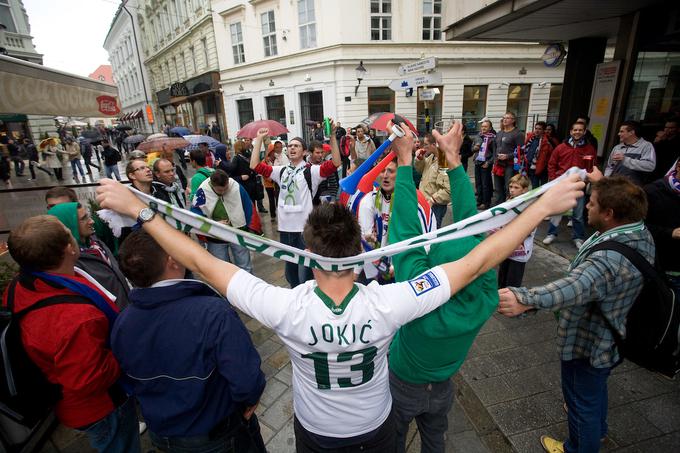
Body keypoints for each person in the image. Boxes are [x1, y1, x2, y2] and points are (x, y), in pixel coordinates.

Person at [95, 120, 584, 452]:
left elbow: (200, 260)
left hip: (317, 433)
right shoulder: (393, 302)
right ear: (362, 252)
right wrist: (540, 208)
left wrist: (141, 209)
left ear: (308, 256)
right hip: (374, 429)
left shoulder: (284, 307)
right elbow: (482, 256)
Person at [498, 170, 653, 453]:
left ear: (608, 213)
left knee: (581, 405)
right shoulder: (637, 230)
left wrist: (524, 297)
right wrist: (597, 180)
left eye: (592, 204)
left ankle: (579, 446)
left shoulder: (608, 261)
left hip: (589, 345)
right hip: (613, 339)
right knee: (594, 395)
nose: (585, 208)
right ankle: (599, 430)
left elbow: (573, 287)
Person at [388, 121, 498, 453]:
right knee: (435, 440)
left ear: (434, 268)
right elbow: (471, 225)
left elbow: (406, 237)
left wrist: (405, 164)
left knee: (392, 439)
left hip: (403, 385)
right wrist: (454, 158)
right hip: (443, 385)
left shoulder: (420, 298)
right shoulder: (486, 296)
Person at [112, 230, 266, 452]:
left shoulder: (122, 322)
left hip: (162, 434)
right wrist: (250, 397)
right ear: (173, 260)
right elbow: (245, 376)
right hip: (217, 435)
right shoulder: (213, 312)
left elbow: (128, 374)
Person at [3, 216, 141, 453]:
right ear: (68, 248)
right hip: (102, 407)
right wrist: (128, 347)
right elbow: (89, 379)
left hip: (69, 400)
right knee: (120, 445)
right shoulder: (78, 320)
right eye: (69, 232)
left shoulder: (22, 285)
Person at [250, 122, 341, 288]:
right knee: (290, 274)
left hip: (304, 230)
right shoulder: (281, 171)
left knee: (305, 275)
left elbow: (335, 163)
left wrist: (333, 137)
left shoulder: (311, 170)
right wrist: (258, 141)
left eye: (297, 146)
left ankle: (307, 305)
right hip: (285, 230)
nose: (292, 148)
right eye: (290, 145)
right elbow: (254, 166)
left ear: (304, 151)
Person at [48, 201, 131, 309]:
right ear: (69, 224)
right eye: (83, 219)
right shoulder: (71, 262)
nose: (91, 221)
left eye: (89, 216)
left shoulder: (95, 243)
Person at [543, 121, 597, 249]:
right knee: (557, 211)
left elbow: (591, 167)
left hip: (578, 185)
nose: (577, 132)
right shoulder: (561, 147)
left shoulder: (589, 149)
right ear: (571, 131)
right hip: (561, 184)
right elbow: (551, 163)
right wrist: (554, 178)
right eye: (575, 130)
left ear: (584, 132)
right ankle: (551, 234)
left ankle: (578, 237)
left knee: (577, 215)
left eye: (580, 130)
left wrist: (586, 180)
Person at [192, 170, 254, 273]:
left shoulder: (236, 187)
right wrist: (213, 224)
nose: (223, 192)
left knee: (245, 266)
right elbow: (196, 214)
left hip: (238, 233)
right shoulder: (203, 190)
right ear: (212, 185)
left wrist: (246, 227)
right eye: (220, 191)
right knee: (221, 268)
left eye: (226, 189)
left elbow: (248, 207)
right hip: (215, 236)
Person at [644, 157, 680, 296]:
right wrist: (670, 233)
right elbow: (638, 226)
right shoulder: (652, 191)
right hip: (655, 265)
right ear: (678, 166)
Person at [496, 174, 534, 288]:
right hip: (506, 249)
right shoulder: (509, 201)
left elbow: (529, 227)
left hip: (519, 252)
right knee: (501, 279)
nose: (512, 190)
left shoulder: (529, 205)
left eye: (516, 188)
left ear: (525, 190)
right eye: (511, 186)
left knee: (512, 284)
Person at [604, 120, 656, 186]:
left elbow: (650, 166)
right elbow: (610, 166)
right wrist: (606, 179)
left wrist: (625, 160)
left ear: (631, 132)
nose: (618, 134)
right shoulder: (617, 147)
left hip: (633, 188)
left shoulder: (646, 146)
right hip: (615, 187)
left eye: (621, 131)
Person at [415, 133, 451, 228]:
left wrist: (433, 199)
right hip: (426, 202)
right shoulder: (431, 157)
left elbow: (448, 190)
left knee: (433, 232)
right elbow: (421, 170)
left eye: (426, 144)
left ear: (434, 145)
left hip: (435, 205)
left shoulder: (443, 161)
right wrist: (420, 159)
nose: (424, 147)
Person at [493, 112, 524, 205]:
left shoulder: (517, 134)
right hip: (498, 164)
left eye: (507, 118)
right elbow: (495, 147)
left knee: (509, 186)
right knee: (498, 187)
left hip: (510, 165)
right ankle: (499, 205)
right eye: (504, 118)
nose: (504, 120)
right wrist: (495, 161)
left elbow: (521, 151)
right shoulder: (499, 133)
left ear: (513, 120)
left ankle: (509, 205)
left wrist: (508, 156)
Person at [473, 119, 495, 209]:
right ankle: (479, 201)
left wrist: (489, 162)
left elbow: (495, 153)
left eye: (485, 126)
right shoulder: (478, 136)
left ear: (490, 128)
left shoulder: (492, 138)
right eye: (482, 126)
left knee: (485, 184)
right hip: (477, 162)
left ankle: (486, 203)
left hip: (485, 163)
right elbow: (472, 148)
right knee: (478, 183)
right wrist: (475, 147)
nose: (483, 128)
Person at [308, 140, 339, 205]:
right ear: (310, 153)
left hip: (324, 202)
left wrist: (332, 200)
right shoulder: (304, 165)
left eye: (322, 152)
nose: (320, 155)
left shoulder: (326, 165)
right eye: (317, 153)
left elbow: (333, 185)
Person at [525, 121, 554, 188]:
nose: (537, 131)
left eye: (539, 129)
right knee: (534, 187)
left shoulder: (548, 142)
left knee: (543, 188)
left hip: (543, 168)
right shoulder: (531, 138)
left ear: (543, 130)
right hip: (531, 167)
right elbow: (526, 150)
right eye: (536, 128)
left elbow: (550, 156)